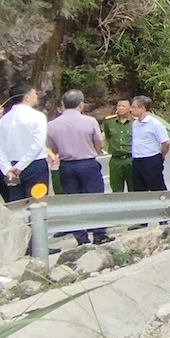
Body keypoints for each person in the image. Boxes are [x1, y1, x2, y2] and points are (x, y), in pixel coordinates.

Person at [47, 89, 112, 245]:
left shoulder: (52, 124)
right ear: (81, 104)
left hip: (66, 166)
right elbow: (99, 143)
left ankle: (81, 238)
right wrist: (93, 152)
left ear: (63, 104)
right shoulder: (89, 121)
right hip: (88, 163)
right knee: (95, 198)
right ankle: (99, 234)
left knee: (72, 201)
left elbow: (52, 147)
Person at [0, 83, 50, 202]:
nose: (36, 96)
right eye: (34, 94)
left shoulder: (3, 120)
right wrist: (20, 166)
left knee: (17, 204)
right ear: (26, 97)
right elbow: (38, 145)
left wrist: (7, 169)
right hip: (35, 165)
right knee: (37, 203)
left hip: (12, 167)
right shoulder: (37, 116)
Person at [130, 95, 170, 192]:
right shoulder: (135, 124)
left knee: (156, 187)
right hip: (137, 159)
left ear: (142, 108)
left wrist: (161, 156)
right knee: (138, 188)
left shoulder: (155, 123)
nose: (131, 109)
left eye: (134, 107)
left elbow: (166, 142)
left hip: (151, 159)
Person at [102, 99, 133, 193]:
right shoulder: (109, 122)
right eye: (119, 106)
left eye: (124, 106)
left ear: (130, 108)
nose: (120, 108)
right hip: (116, 160)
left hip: (131, 159)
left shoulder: (135, 122)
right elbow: (107, 137)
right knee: (116, 188)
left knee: (134, 187)